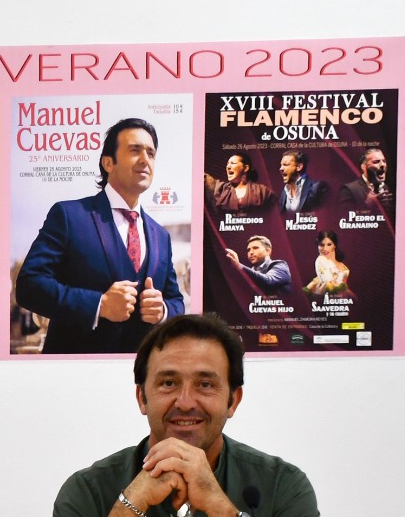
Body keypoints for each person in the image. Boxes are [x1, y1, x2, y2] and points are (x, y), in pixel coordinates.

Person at [45, 313, 324, 517]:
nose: (186, 402)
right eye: (168, 383)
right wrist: (132, 503)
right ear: (142, 397)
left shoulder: (282, 485)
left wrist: (219, 506)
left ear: (233, 401)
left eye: (205, 384)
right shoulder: (88, 489)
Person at [15, 117, 184, 354]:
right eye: (134, 150)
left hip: (142, 369)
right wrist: (99, 304)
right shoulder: (69, 216)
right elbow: (29, 285)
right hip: (77, 366)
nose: (145, 159)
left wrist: (163, 310)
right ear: (108, 163)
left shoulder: (161, 236)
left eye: (151, 153)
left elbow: (176, 301)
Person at [204, 153, 275, 210]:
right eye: (227, 164)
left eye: (233, 163)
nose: (228, 167)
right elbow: (204, 177)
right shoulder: (220, 189)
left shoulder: (263, 191)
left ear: (246, 168)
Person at [224, 235, 291, 293]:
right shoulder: (249, 272)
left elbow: (269, 281)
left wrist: (239, 266)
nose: (251, 252)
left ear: (268, 251)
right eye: (248, 250)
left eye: (255, 248)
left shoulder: (280, 265)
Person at [339, 146, 394, 215]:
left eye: (384, 161)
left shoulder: (385, 188)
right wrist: (368, 204)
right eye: (376, 162)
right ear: (363, 167)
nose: (382, 164)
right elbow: (344, 218)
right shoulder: (349, 189)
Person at [277, 150, 328, 215]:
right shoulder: (284, 192)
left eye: (285, 165)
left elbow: (323, 216)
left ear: (299, 167)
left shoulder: (317, 188)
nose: (280, 168)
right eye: (281, 165)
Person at [304, 231, 351, 295]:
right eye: (321, 245)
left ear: (334, 245)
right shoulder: (321, 260)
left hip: (343, 298)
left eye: (329, 244)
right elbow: (330, 285)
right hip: (329, 297)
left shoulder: (339, 262)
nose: (325, 248)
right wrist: (352, 296)